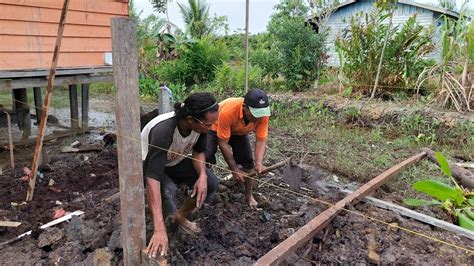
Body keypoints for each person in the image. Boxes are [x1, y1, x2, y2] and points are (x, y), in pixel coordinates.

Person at [141, 92, 219, 258]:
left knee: (211, 183)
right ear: (191, 119)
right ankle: (163, 233)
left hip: (174, 159)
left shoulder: (201, 126)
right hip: (149, 163)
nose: (210, 128)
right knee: (168, 191)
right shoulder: (164, 131)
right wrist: (159, 229)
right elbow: (153, 178)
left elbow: (198, 153)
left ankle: (180, 216)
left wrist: (203, 176)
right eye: (207, 124)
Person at [206, 89, 271, 208]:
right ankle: (205, 187)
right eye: (254, 113)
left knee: (248, 163)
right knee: (206, 155)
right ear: (244, 107)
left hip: (238, 131)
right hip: (215, 128)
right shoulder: (228, 111)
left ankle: (249, 196)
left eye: (260, 114)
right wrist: (234, 169)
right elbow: (223, 143)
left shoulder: (262, 116)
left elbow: (261, 140)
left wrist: (259, 163)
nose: (257, 118)